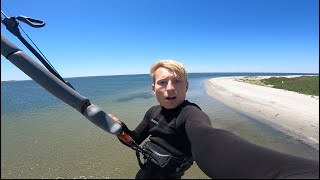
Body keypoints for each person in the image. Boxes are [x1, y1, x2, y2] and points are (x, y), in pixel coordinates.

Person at [109, 59, 319, 179]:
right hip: (144, 173)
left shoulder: (191, 113)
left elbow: (209, 137)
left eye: (177, 81)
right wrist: (119, 128)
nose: (170, 88)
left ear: (187, 86)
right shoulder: (152, 112)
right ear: (153, 88)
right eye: (163, 83)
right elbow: (133, 138)